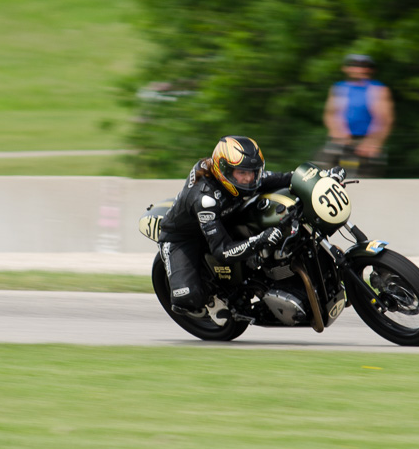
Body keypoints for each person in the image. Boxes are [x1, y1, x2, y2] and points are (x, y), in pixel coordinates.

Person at [157, 135, 344, 317]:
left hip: (224, 219)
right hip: (184, 237)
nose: (249, 178)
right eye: (243, 173)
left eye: (253, 171)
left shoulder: (243, 178)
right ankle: (215, 296)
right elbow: (221, 251)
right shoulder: (205, 198)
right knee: (189, 298)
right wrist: (259, 240)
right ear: (225, 171)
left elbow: (287, 178)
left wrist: (323, 178)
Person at [317, 54, 394, 177]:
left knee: (367, 177)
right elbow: (330, 114)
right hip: (342, 139)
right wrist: (337, 132)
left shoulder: (378, 89)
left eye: (363, 67)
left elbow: (384, 119)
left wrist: (373, 142)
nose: (359, 70)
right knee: (323, 171)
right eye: (354, 66)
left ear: (370, 70)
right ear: (346, 68)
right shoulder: (339, 88)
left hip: (367, 140)